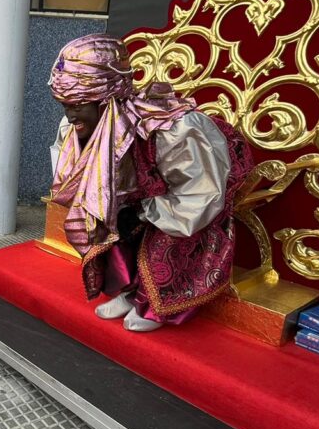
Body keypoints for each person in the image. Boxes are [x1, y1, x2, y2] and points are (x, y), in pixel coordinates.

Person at [48, 33, 252, 331]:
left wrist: (146, 209)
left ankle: (158, 304)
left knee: (168, 233)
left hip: (198, 190)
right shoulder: (79, 125)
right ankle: (131, 291)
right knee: (111, 221)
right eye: (65, 103)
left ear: (108, 99)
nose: (69, 113)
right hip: (149, 192)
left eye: (79, 104)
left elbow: (200, 196)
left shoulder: (174, 131)